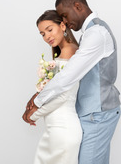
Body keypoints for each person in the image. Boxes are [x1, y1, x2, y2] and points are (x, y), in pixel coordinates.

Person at [23, 0, 121, 164]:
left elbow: (67, 77)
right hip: (88, 114)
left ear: (78, 6)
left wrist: (37, 102)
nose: (65, 22)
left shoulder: (97, 33)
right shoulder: (89, 35)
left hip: (98, 114)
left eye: (65, 16)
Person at [25, 10, 82, 164]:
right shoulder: (63, 53)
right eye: (42, 34)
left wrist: (33, 115)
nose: (47, 36)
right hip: (54, 130)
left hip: (63, 130)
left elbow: (62, 96)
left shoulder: (70, 53)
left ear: (63, 26)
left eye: (50, 30)